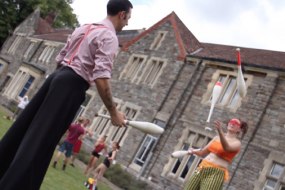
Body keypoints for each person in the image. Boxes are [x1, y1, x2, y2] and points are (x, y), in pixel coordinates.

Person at [0, 0, 132, 189]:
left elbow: (61, 58)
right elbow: (101, 77)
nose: (127, 23)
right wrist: (113, 112)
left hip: (56, 77)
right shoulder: (109, 37)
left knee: (23, 131)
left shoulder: (84, 28)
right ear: (122, 14)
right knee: (40, 143)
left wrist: (58, 82)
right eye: (128, 18)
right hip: (72, 85)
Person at [184, 118, 248, 190]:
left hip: (216, 173)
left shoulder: (237, 143)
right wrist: (193, 151)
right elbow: (202, 153)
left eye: (236, 123)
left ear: (239, 129)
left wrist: (220, 132)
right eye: (231, 121)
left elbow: (226, 148)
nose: (232, 123)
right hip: (202, 167)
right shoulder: (216, 138)